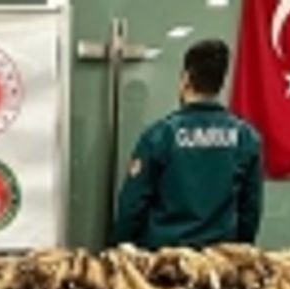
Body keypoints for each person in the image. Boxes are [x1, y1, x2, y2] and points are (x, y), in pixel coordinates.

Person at [113, 39, 263, 249]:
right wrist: (239, 253)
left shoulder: (160, 136)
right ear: (221, 83)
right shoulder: (245, 137)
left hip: (166, 259)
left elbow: (132, 206)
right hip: (219, 259)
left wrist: (122, 247)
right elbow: (250, 210)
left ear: (185, 79)